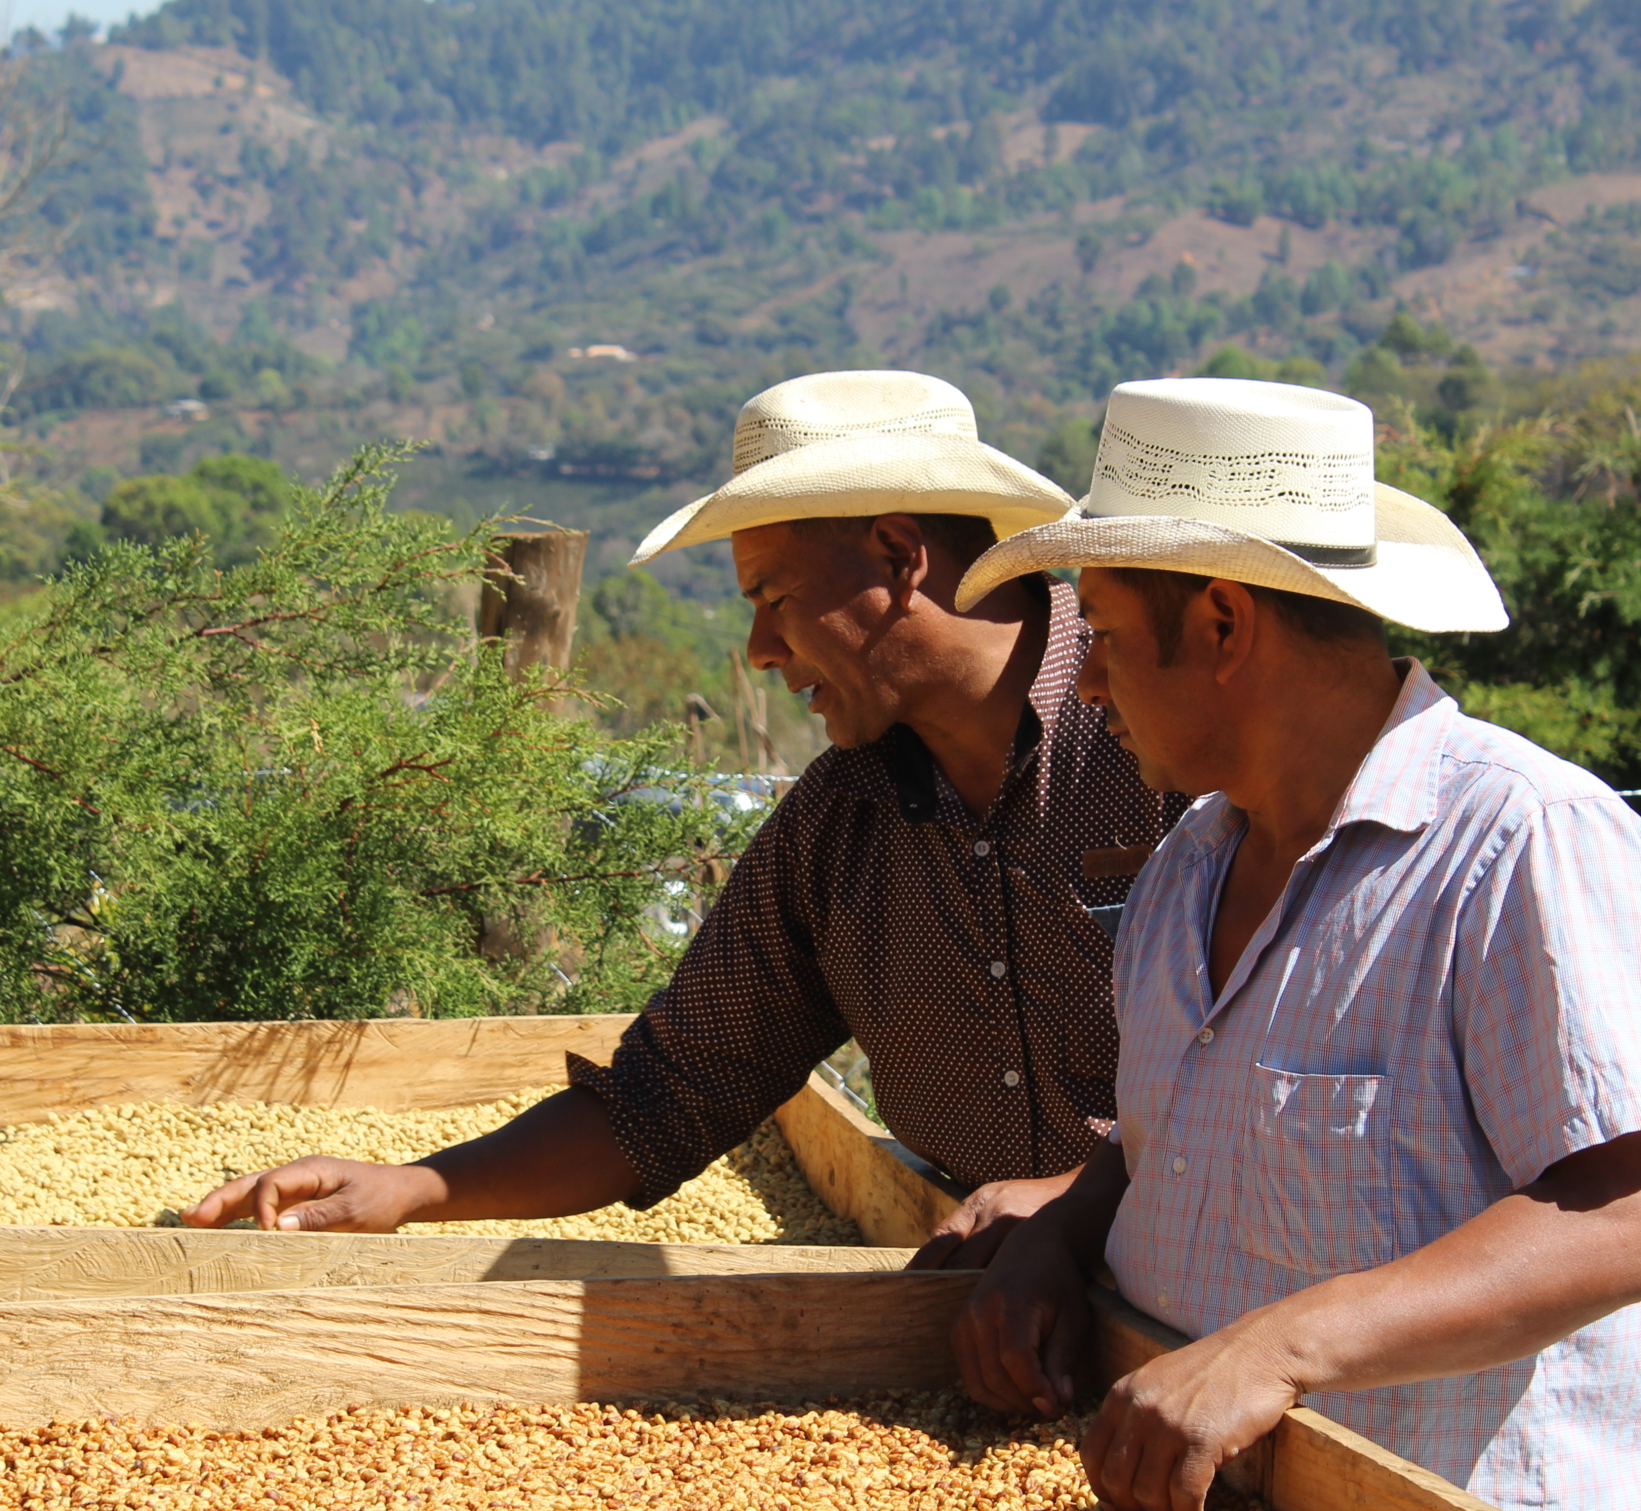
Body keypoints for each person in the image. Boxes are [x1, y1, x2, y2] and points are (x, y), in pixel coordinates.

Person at [943, 376, 1641, 1511]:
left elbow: (1614, 1228)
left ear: (1219, 627)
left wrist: (1280, 1348)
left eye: (1098, 634)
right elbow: (1170, 1144)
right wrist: (1061, 1231)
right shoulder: (1183, 870)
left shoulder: (1521, 841)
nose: (1085, 684)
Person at [188, 370, 1181, 1256]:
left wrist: (1073, 1201)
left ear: (896, 556)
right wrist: (416, 1187)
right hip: (989, 1307)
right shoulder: (838, 829)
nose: (755, 650)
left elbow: (1295, 1093)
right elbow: (669, 1094)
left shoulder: (1167, 744)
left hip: (1211, 1300)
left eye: (775, 598)